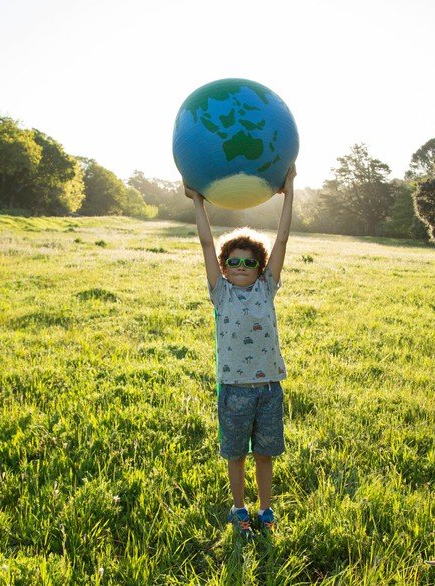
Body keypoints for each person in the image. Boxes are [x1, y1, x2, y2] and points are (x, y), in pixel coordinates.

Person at [187, 165, 296, 538]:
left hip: (268, 390)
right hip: (233, 389)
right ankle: (239, 509)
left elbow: (282, 240)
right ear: (223, 266)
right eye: (233, 261)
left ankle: (265, 510)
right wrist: (199, 202)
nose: (241, 266)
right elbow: (205, 242)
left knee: (264, 455)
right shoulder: (220, 292)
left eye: (250, 262)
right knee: (235, 455)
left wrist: (290, 190)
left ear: (260, 267)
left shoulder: (267, 289)